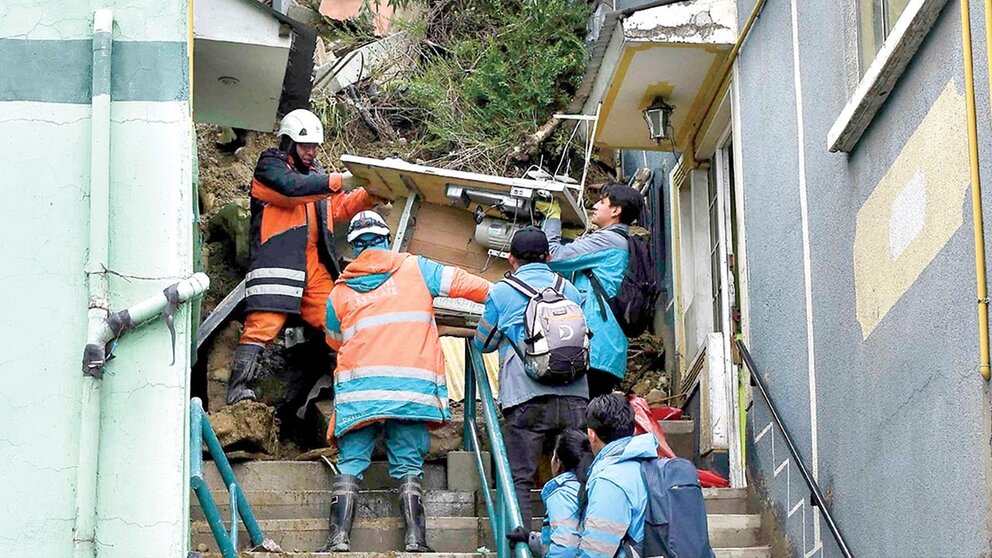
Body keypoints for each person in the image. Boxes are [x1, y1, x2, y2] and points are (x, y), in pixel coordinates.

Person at [319, 211, 491, 553]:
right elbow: (469, 286)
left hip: (360, 393)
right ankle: (416, 540)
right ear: (385, 239)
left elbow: (333, 340)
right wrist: (507, 297)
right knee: (408, 461)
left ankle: (337, 539)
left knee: (351, 461)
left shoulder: (338, 293)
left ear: (354, 248)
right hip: (410, 390)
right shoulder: (417, 268)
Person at [226, 108, 382, 405]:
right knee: (264, 324)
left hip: (312, 264)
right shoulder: (270, 167)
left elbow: (336, 209)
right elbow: (291, 188)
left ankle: (352, 388)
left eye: (314, 147)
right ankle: (238, 391)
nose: (310, 152)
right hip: (279, 263)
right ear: (288, 143)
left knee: (339, 320)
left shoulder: (315, 176)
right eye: (304, 145)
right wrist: (338, 181)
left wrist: (370, 194)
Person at [474, 226, 589, 525]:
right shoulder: (570, 289)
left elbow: (482, 344)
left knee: (520, 477)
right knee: (578, 470)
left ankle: (520, 540)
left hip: (525, 398)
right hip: (574, 394)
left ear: (511, 259)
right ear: (549, 256)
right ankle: (576, 532)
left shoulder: (502, 291)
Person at [537, 184, 644, 398]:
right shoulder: (618, 241)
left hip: (594, 349)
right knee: (589, 421)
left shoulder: (608, 240)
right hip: (606, 350)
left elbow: (553, 257)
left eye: (602, 202)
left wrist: (552, 217)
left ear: (616, 210)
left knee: (581, 422)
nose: (595, 206)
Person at [577, 394, 658, 558]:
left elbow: (597, 552)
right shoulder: (652, 465)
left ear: (591, 435)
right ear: (633, 429)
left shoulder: (610, 480)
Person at [508, 428, 593, 558]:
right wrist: (531, 539)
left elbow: (566, 548)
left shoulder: (563, 494)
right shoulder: (595, 486)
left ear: (558, 463)